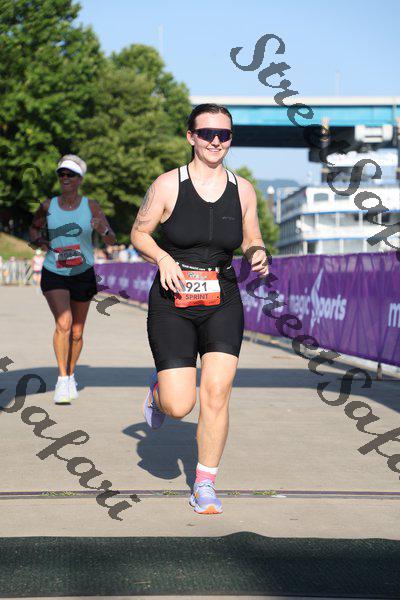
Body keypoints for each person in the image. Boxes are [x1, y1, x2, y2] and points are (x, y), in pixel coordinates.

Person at [131, 104, 269, 514]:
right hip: (172, 298)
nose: (215, 140)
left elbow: (252, 237)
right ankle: (159, 393)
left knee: (217, 392)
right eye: (207, 132)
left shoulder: (243, 189)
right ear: (190, 136)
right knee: (180, 406)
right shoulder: (167, 185)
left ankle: (205, 483)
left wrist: (258, 254)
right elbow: (139, 233)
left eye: (224, 134)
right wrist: (163, 259)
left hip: (222, 298)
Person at [29, 154, 116, 404]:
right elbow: (34, 228)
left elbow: (112, 239)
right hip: (54, 271)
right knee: (64, 323)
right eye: (62, 174)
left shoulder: (91, 206)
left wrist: (102, 229)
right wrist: (41, 242)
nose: (65, 178)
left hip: (83, 273)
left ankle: (70, 374)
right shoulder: (48, 205)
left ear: (80, 179)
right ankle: (62, 380)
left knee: (77, 333)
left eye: (70, 174)